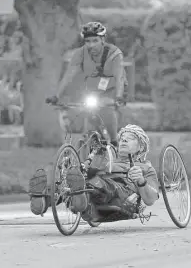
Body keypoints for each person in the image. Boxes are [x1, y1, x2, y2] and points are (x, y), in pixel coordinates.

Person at [28, 124, 159, 219]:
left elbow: (150, 199)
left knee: (101, 182)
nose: (123, 140)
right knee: (75, 179)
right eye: (122, 138)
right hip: (94, 198)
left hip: (120, 195)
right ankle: (43, 200)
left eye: (130, 138)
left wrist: (141, 181)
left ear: (141, 146)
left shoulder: (146, 168)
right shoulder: (109, 157)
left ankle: (81, 194)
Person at [48, 21, 127, 148]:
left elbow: (119, 77)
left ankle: (114, 141)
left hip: (112, 90)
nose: (91, 45)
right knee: (89, 124)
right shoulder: (80, 53)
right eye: (88, 41)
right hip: (93, 90)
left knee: (106, 107)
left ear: (102, 39)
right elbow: (69, 75)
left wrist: (119, 96)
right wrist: (57, 96)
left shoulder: (114, 53)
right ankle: (89, 158)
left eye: (95, 40)